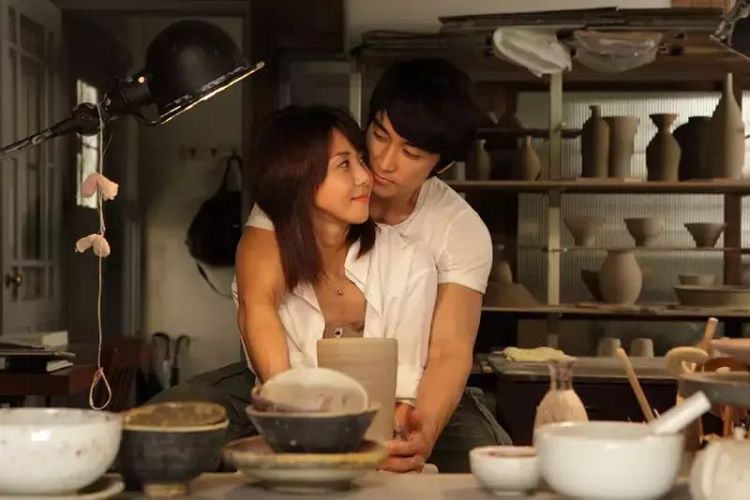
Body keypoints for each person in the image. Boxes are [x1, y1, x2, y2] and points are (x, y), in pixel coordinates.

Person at [236, 58, 510, 472]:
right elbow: (257, 304)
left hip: (411, 385)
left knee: (485, 451)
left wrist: (422, 430)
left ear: (441, 164)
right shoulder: (293, 198)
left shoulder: (456, 231)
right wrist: (288, 410)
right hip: (288, 372)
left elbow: (449, 350)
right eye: (380, 135)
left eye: (410, 152)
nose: (382, 162)